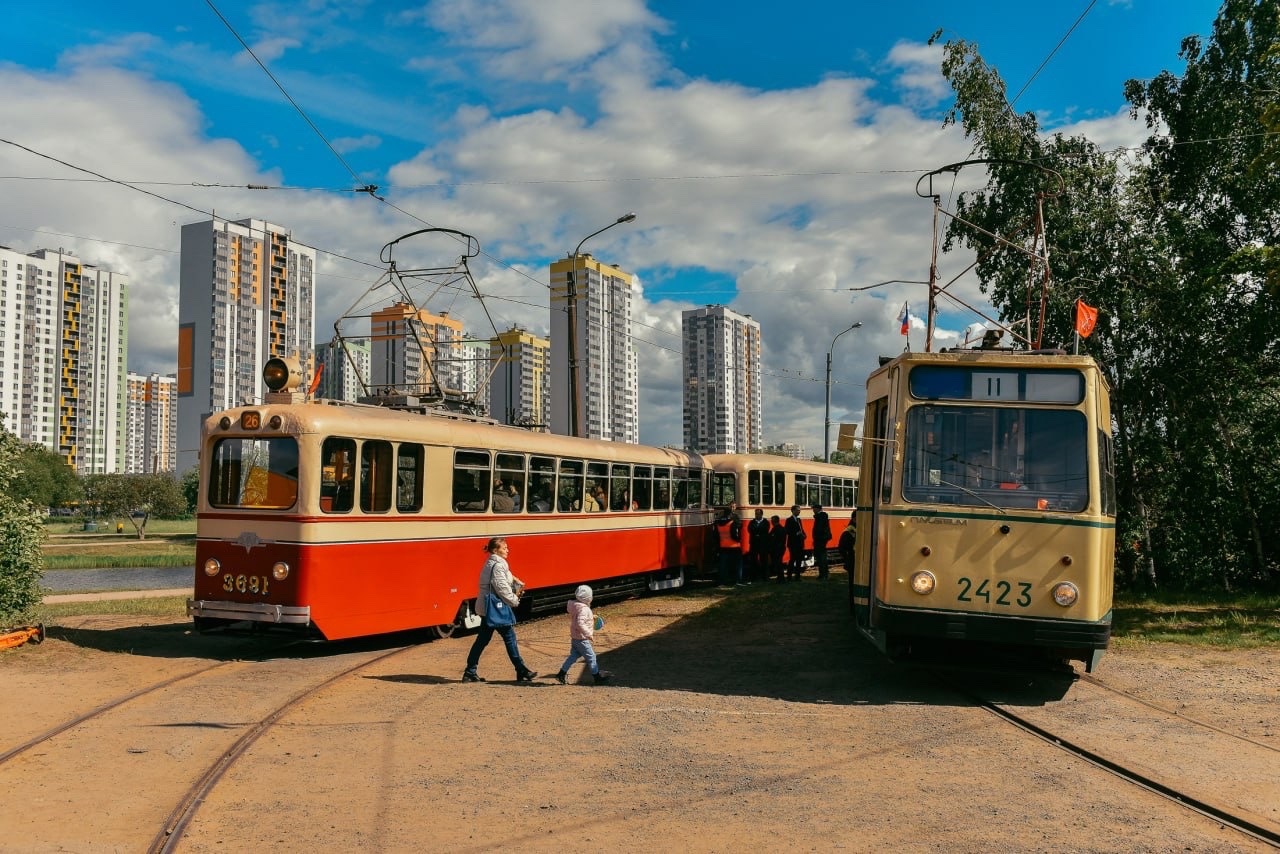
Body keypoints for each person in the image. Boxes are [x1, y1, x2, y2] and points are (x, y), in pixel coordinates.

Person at [462, 537, 537, 683]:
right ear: (496, 550)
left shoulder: (492, 563)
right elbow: (501, 587)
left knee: (482, 641)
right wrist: (515, 600)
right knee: (510, 638)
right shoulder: (497, 565)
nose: (507, 550)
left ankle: (470, 671)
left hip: (487, 609)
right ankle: (521, 670)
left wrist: (516, 581)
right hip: (495, 609)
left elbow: (503, 579)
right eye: (504, 548)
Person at [554, 585, 611, 685]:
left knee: (573, 656)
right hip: (582, 639)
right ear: (588, 598)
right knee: (591, 657)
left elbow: (578, 618)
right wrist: (588, 634)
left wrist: (591, 617)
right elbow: (580, 622)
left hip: (575, 638)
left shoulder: (576, 606)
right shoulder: (584, 609)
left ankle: (561, 673)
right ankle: (597, 677)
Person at [713, 508, 743, 587]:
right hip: (734, 546)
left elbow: (716, 536)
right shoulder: (732, 523)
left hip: (723, 547)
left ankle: (721, 582)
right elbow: (734, 535)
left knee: (723, 566)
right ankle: (737, 581)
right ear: (730, 514)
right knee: (737, 565)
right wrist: (739, 539)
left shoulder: (718, 523)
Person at [747, 508, 771, 583]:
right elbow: (750, 530)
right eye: (756, 514)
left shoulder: (766, 522)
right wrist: (759, 532)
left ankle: (765, 577)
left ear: (761, 514)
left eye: (758, 514)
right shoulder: (752, 522)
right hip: (754, 544)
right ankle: (753, 577)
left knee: (764, 561)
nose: (756, 515)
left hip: (763, 544)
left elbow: (765, 530)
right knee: (753, 561)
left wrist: (756, 532)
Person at [785, 505, 807, 580]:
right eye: (797, 510)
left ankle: (797, 576)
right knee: (792, 559)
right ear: (793, 511)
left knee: (798, 560)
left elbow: (802, 529)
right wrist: (796, 533)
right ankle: (789, 576)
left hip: (799, 543)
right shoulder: (789, 520)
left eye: (799, 510)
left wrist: (804, 535)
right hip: (792, 543)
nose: (799, 511)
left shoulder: (798, 520)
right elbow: (787, 531)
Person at [811, 503, 832, 580]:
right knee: (821, 557)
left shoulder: (820, 517)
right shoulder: (822, 516)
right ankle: (823, 574)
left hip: (820, 539)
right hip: (821, 539)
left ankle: (823, 574)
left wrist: (816, 537)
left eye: (814, 508)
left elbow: (819, 529)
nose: (813, 510)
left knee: (821, 557)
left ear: (818, 509)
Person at [769, 514, 788, 584]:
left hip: (777, 549)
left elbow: (771, 538)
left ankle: (780, 578)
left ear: (774, 521)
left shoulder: (776, 529)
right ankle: (780, 577)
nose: (771, 522)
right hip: (781, 548)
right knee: (779, 563)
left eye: (772, 521)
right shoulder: (782, 528)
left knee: (778, 563)